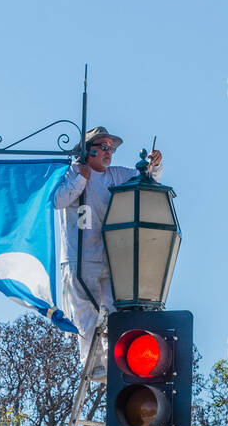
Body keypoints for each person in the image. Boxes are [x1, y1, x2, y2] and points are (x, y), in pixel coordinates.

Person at [54, 127, 163, 376]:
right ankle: (93, 365)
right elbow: (58, 200)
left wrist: (154, 165)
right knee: (86, 313)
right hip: (78, 256)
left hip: (109, 255)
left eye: (111, 148)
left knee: (114, 310)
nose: (109, 152)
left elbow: (145, 178)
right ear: (88, 150)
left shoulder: (115, 175)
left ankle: (116, 361)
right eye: (103, 147)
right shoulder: (71, 173)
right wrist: (81, 178)